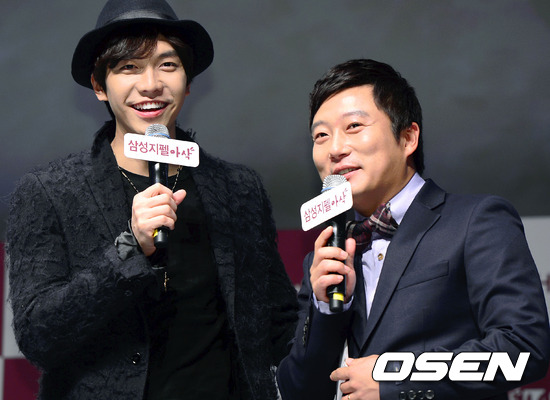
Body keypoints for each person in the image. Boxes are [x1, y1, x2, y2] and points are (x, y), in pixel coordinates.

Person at [6, 0, 298, 399]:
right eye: (129, 67)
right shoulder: (50, 191)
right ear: (99, 86)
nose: (150, 84)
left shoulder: (239, 188)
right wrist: (130, 248)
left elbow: (278, 325)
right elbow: (37, 336)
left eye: (167, 65)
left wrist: (324, 305)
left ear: (188, 82)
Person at [276, 58, 550, 400]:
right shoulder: (326, 257)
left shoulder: (477, 220)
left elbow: (524, 348)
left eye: (354, 126)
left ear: (408, 138)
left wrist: (393, 379)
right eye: (321, 135)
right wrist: (326, 309)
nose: (335, 149)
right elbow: (298, 390)